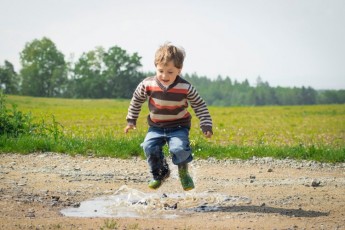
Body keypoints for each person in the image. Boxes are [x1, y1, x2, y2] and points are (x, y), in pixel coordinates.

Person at [124, 42, 213, 191]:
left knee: (179, 149)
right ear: (155, 67)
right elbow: (136, 100)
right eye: (161, 71)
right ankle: (160, 173)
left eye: (170, 72)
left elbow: (200, 105)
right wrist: (131, 120)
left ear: (179, 70)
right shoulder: (148, 84)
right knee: (148, 146)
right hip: (156, 126)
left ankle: (183, 171)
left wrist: (206, 125)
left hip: (179, 126)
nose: (165, 76)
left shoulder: (186, 87)